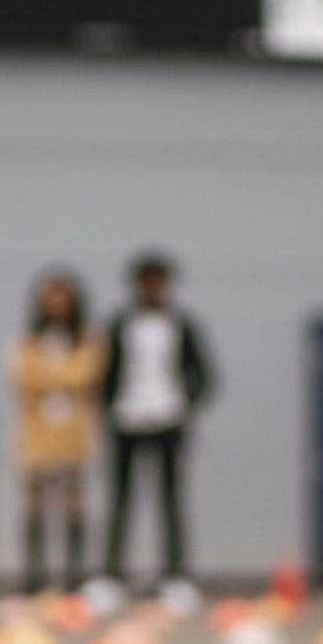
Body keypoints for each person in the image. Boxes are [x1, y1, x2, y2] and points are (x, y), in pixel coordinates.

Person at [101, 252, 215, 594]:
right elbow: (104, 371)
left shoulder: (182, 325)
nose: (154, 289)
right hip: (127, 418)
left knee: (170, 499)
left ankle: (175, 574)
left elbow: (205, 374)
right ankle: (113, 573)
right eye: (147, 282)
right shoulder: (120, 324)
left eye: (159, 282)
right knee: (121, 498)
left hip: (168, 418)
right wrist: (109, 405)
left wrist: (185, 403)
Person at [9, 270, 104, 594]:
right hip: (37, 428)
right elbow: (23, 376)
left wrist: (51, 377)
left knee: (74, 499)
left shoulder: (85, 338)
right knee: (34, 498)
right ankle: (35, 574)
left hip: (73, 428)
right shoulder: (31, 339)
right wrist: (60, 377)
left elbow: (87, 374)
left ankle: (74, 574)